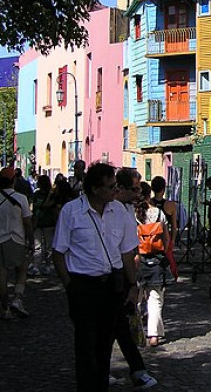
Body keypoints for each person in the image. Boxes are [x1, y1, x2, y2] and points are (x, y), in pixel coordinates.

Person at [52, 163, 145, 391]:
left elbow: (126, 252)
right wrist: (69, 286)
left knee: (105, 344)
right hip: (82, 285)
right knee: (85, 344)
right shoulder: (72, 211)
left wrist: (132, 284)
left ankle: (100, 385)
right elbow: (58, 252)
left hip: (111, 285)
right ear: (95, 189)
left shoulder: (120, 213)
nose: (116, 191)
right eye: (111, 186)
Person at [112, 168, 157, 389]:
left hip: (126, 272)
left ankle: (137, 369)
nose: (138, 192)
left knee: (120, 324)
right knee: (117, 325)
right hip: (114, 273)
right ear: (119, 188)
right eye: (134, 188)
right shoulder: (111, 210)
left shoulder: (129, 208)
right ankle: (137, 370)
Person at [0, 167, 33, 318]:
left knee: (2, 272)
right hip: (16, 238)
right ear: (14, 180)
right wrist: (31, 240)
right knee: (22, 269)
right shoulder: (21, 198)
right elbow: (27, 222)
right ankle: (17, 298)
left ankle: (5, 308)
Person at [135, 182, 175, 347]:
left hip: (137, 258)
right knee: (155, 298)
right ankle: (154, 335)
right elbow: (166, 237)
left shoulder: (132, 214)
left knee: (135, 299)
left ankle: (135, 332)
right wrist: (163, 252)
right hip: (156, 258)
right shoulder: (158, 213)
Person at [29, 174, 56, 276]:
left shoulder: (52, 195)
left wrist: (49, 195)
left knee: (49, 246)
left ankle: (49, 265)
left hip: (49, 222)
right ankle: (36, 266)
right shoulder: (37, 194)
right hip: (38, 222)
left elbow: (46, 205)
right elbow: (34, 207)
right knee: (37, 246)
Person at [150, 176, 178, 242]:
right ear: (163, 189)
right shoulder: (171, 205)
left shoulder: (148, 203)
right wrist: (173, 241)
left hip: (151, 238)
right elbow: (174, 227)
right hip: (165, 239)